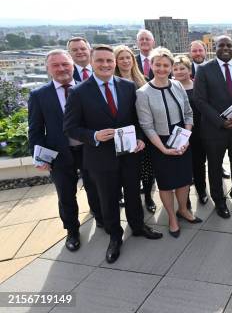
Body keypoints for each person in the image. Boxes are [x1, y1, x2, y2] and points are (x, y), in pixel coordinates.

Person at [64, 45, 162, 264]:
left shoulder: (127, 87)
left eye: (109, 61)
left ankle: (137, 226)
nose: (106, 65)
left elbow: (137, 120)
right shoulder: (78, 92)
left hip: (129, 153)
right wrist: (95, 135)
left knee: (133, 193)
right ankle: (115, 237)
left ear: (115, 63)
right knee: (108, 199)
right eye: (100, 61)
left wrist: (139, 138)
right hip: (100, 158)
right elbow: (70, 128)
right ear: (91, 62)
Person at [28, 50, 103, 252]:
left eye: (65, 64)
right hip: (59, 154)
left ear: (72, 65)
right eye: (56, 65)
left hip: (88, 151)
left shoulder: (87, 88)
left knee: (94, 187)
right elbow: (35, 131)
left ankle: (101, 217)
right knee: (66, 194)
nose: (61, 69)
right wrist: (39, 157)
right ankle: (72, 230)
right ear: (48, 69)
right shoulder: (39, 95)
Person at [136, 47, 200, 238]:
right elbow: (147, 126)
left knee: (183, 180)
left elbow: (189, 113)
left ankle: (183, 209)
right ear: (151, 65)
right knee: (166, 184)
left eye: (166, 65)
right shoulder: (143, 93)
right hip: (159, 142)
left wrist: (186, 137)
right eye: (158, 65)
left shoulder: (178, 86)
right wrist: (163, 148)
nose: (162, 69)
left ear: (171, 67)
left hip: (181, 137)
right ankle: (172, 217)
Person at [193, 36, 232, 219]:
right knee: (215, 167)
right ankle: (219, 200)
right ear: (215, 48)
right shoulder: (204, 70)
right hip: (214, 129)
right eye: (221, 45)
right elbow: (199, 100)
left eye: (229, 45)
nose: (225, 48)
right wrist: (221, 121)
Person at [113, 45, 156, 213]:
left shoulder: (143, 79)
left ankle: (148, 196)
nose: (125, 61)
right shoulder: (112, 81)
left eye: (128, 57)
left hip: (144, 130)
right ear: (116, 61)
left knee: (147, 167)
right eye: (121, 58)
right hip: (123, 133)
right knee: (128, 170)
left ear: (133, 60)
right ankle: (130, 197)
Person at [173, 55, 208, 206]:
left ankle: (201, 191)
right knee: (181, 167)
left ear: (189, 70)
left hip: (198, 132)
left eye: (182, 68)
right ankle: (184, 199)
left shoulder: (197, 86)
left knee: (199, 164)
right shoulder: (170, 87)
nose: (179, 71)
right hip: (178, 133)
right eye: (175, 69)